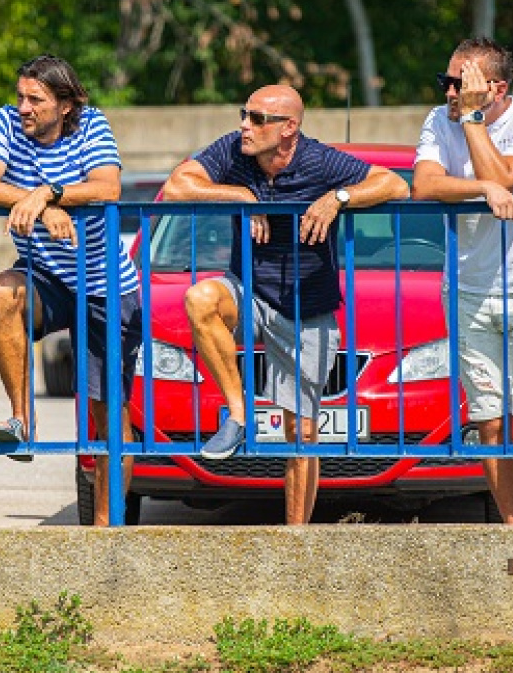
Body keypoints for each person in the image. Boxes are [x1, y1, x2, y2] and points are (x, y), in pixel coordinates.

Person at [161, 84, 408, 524]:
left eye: (257, 119)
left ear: (289, 128)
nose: (245, 125)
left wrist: (338, 199)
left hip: (305, 308)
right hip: (248, 292)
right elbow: (179, 185)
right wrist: (243, 197)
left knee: (303, 433)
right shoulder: (235, 152)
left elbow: (393, 185)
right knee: (199, 297)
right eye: (244, 114)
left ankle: (296, 540)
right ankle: (239, 415)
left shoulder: (319, 159)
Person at [0, 54, 142, 527]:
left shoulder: (92, 126)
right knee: (0, 292)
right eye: (20, 96)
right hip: (45, 275)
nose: (23, 106)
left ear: (65, 104)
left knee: (110, 424)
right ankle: (22, 420)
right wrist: (40, 207)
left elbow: (107, 187)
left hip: (106, 287)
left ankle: (107, 528)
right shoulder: (4, 122)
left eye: (35, 100)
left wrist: (47, 193)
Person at [413, 37, 513, 524]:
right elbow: (424, 185)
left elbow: (508, 176)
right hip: (467, 291)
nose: (448, 92)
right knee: (490, 421)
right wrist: (481, 186)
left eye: (458, 84)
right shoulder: (441, 119)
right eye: (445, 81)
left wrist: (475, 122)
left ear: (496, 88)